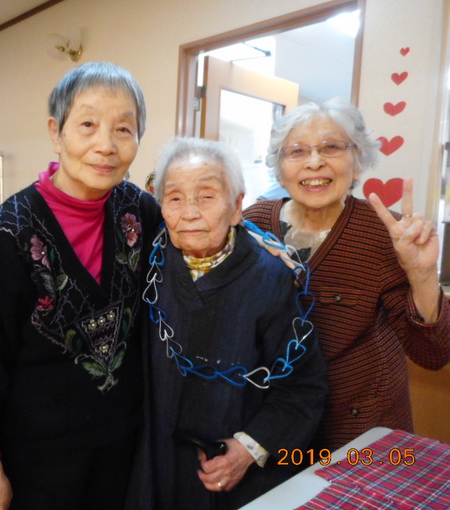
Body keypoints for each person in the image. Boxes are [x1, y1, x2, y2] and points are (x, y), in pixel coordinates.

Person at [0, 62, 161, 510]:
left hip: (122, 442)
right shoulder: (5, 237)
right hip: (36, 458)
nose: (105, 146)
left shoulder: (141, 211)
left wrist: (251, 238)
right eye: (87, 124)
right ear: (57, 132)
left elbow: (196, 247)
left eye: (124, 129)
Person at [126, 137, 327, 510]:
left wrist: (249, 449)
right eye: (174, 198)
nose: (188, 213)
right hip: (154, 465)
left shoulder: (271, 278)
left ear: (236, 207)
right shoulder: (144, 264)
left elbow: (303, 388)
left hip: (233, 476)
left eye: (206, 197)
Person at [244, 98, 450, 451]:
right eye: (297, 151)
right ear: (280, 169)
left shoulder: (389, 233)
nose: (314, 161)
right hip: (274, 429)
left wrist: (422, 275)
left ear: (357, 163)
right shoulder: (252, 224)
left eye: (332, 147)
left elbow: (433, 355)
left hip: (362, 436)